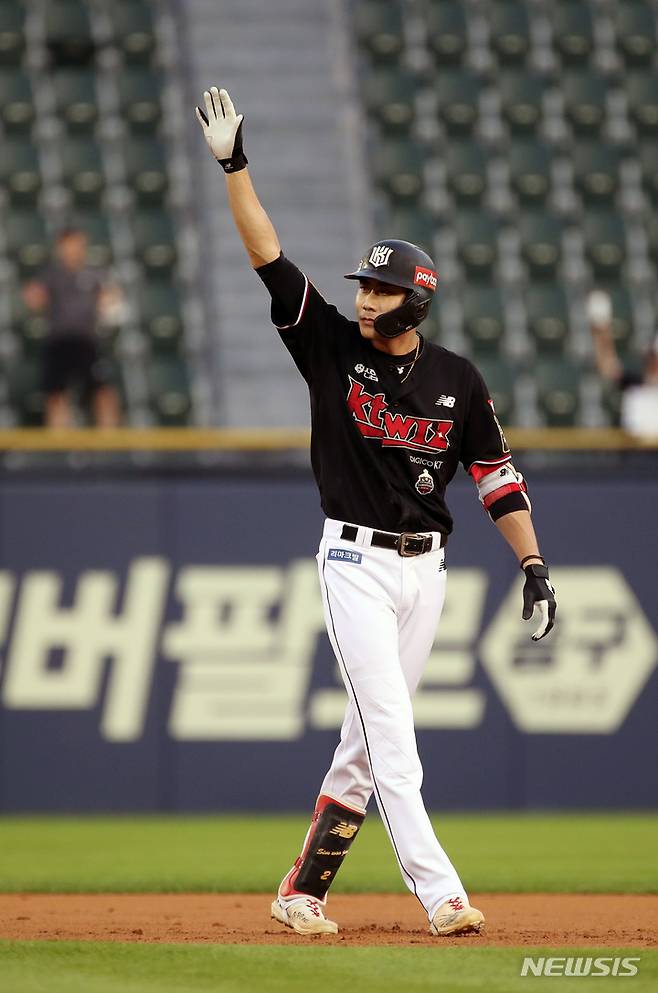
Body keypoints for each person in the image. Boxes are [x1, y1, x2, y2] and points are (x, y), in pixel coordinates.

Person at [196, 86, 557, 938]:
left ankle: (301, 890)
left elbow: (496, 477)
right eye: (364, 285)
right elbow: (269, 257)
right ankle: (442, 894)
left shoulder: (457, 381)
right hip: (353, 563)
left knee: (365, 742)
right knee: (393, 732)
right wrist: (235, 166)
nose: (365, 298)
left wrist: (534, 564)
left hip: (426, 571)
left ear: (416, 303)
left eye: (382, 290)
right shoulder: (328, 346)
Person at [23, 227, 122, 428]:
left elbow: (112, 299)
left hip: (88, 342)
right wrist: (35, 297)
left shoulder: (95, 273)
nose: (73, 250)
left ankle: (110, 447)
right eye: (68, 245)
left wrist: (110, 302)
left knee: (104, 393)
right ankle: (57, 448)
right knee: (56, 395)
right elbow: (33, 298)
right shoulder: (51, 274)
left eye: (77, 244)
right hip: (59, 341)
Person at [587, 290, 658, 437]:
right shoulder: (636, 382)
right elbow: (607, 366)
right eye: (653, 356)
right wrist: (601, 330)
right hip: (638, 455)